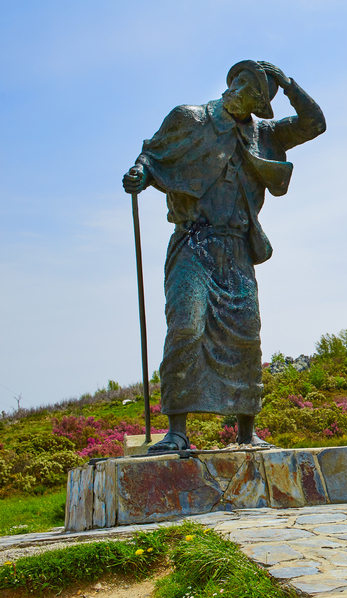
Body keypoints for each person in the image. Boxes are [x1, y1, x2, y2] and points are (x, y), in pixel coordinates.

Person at [122, 60, 325, 452]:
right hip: (194, 242)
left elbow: (314, 123)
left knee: (246, 335)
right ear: (232, 83)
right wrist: (140, 175)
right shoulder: (191, 119)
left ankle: (247, 433)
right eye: (244, 82)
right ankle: (177, 431)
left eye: (257, 91)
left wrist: (286, 83)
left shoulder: (264, 134)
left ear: (261, 103)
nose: (245, 91)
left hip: (236, 249)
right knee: (186, 326)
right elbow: (152, 156)